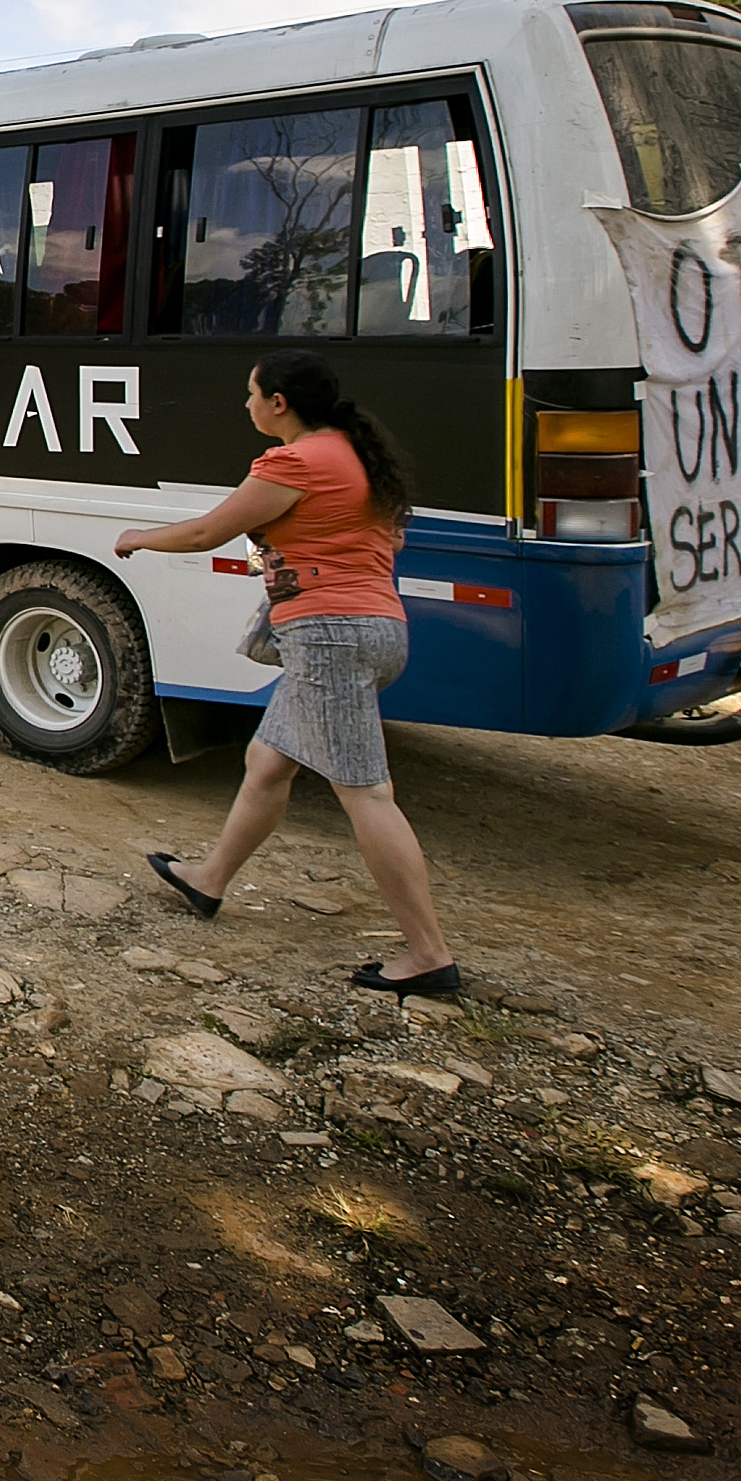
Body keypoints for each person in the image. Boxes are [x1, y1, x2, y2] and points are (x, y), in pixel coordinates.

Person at [112, 347, 458, 999]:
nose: (244, 405)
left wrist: (138, 536)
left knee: (366, 795)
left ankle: (427, 954)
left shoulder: (295, 461)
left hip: (331, 639)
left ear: (279, 403)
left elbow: (206, 533)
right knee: (268, 763)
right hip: (376, 631)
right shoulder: (357, 455)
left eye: (251, 394)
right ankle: (208, 878)